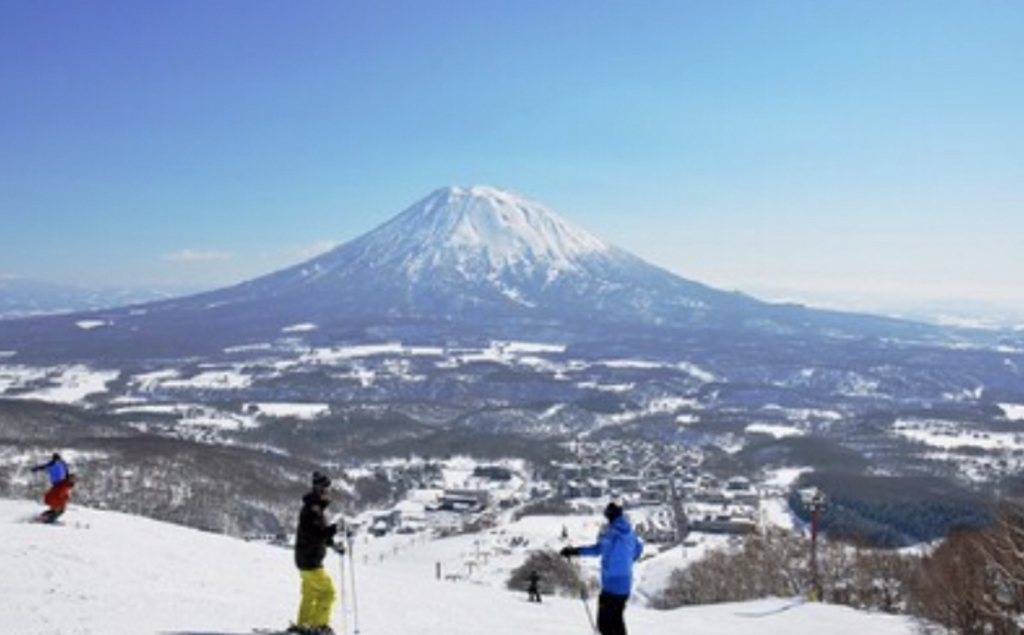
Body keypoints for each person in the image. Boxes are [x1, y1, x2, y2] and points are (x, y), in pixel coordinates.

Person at [560, 501, 644, 635]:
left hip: (611, 585)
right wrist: (625, 562)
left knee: (605, 625)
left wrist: (575, 551)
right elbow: (638, 550)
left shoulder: (611, 534)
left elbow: (597, 549)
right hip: (625, 585)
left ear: (610, 515)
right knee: (616, 621)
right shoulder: (630, 532)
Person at [291, 471, 343, 635]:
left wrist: (333, 545)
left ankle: (304, 625)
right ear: (320, 491)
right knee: (328, 593)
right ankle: (319, 626)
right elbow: (317, 533)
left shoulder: (314, 508)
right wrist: (336, 528)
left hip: (304, 560)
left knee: (310, 594)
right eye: (328, 490)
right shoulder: (313, 510)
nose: (330, 493)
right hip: (311, 562)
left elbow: (318, 534)